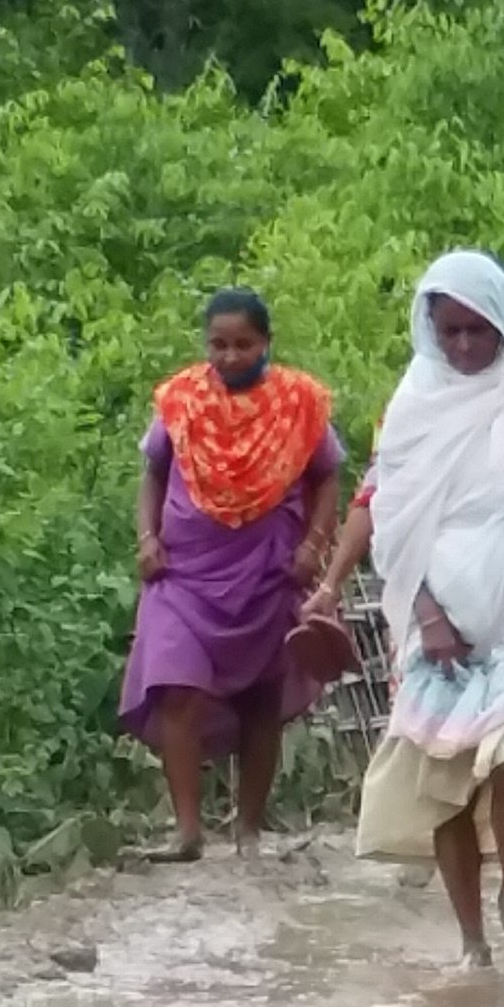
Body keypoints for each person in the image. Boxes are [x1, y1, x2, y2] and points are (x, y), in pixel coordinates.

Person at [305, 252, 504, 966]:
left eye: (479, 330)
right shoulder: (410, 410)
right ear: (430, 329)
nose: (465, 346)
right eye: (451, 331)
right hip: (433, 621)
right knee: (445, 784)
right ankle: (471, 944)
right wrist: (423, 615)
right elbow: (393, 520)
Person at [119, 287, 347, 860]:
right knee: (176, 688)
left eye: (243, 344)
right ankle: (188, 831)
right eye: (218, 344)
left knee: (261, 700)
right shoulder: (181, 400)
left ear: (266, 342)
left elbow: (327, 478)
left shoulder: (299, 403)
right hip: (184, 573)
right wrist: (146, 538)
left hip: (267, 570)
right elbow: (153, 472)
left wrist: (314, 544)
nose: (229, 357)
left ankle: (248, 830)